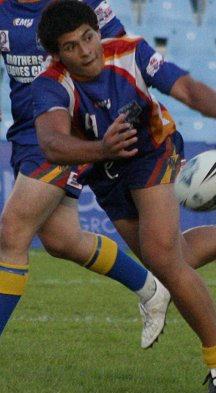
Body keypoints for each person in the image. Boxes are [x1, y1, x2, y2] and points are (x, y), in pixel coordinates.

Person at [33, 0, 216, 393]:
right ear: (57, 54)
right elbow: (52, 143)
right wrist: (102, 150)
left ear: (97, 30)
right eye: (71, 46)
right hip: (102, 170)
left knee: (162, 259)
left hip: (151, 151)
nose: (86, 51)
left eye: (89, 37)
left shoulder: (131, 51)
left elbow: (186, 86)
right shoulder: (50, 83)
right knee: (176, 257)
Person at [0, 0, 172, 350]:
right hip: (25, 130)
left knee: (11, 232)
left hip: (67, 132)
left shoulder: (81, 6)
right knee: (62, 240)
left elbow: (121, 57)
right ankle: (151, 290)